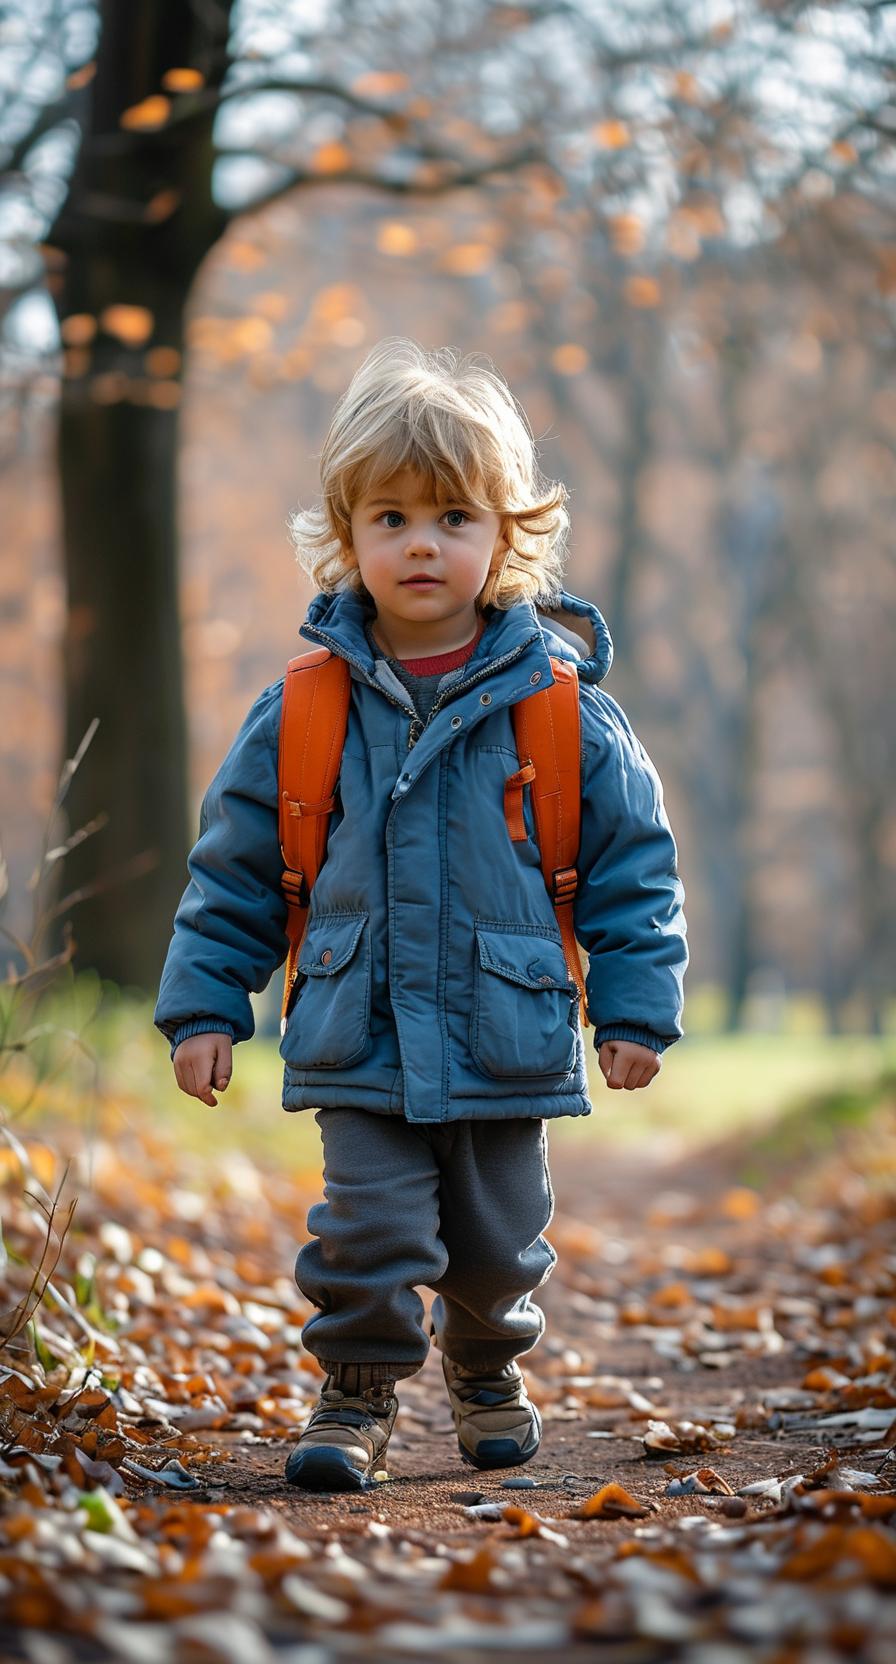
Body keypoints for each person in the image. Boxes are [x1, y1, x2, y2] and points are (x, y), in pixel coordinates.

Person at [154, 338, 688, 1493]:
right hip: (358, 1032)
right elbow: (235, 871)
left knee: (498, 1248)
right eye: (389, 516)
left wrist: (636, 1007)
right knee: (367, 1236)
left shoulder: (561, 712)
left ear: (505, 534)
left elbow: (631, 869)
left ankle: (487, 1366)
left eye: (452, 514)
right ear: (346, 537)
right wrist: (205, 1001)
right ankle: (354, 1390)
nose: (421, 541)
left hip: (509, 1028)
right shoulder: (303, 709)